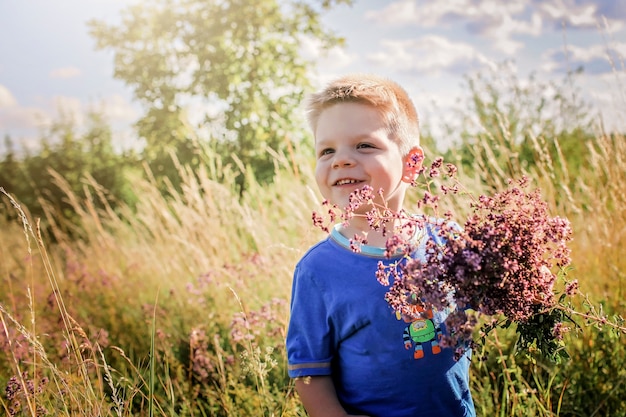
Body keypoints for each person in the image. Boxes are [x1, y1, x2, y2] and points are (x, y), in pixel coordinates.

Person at [285, 74, 475, 417]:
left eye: (364, 145)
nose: (341, 159)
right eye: (327, 150)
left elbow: (493, 290)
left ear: (412, 164)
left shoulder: (445, 240)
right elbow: (309, 372)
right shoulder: (318, 270)